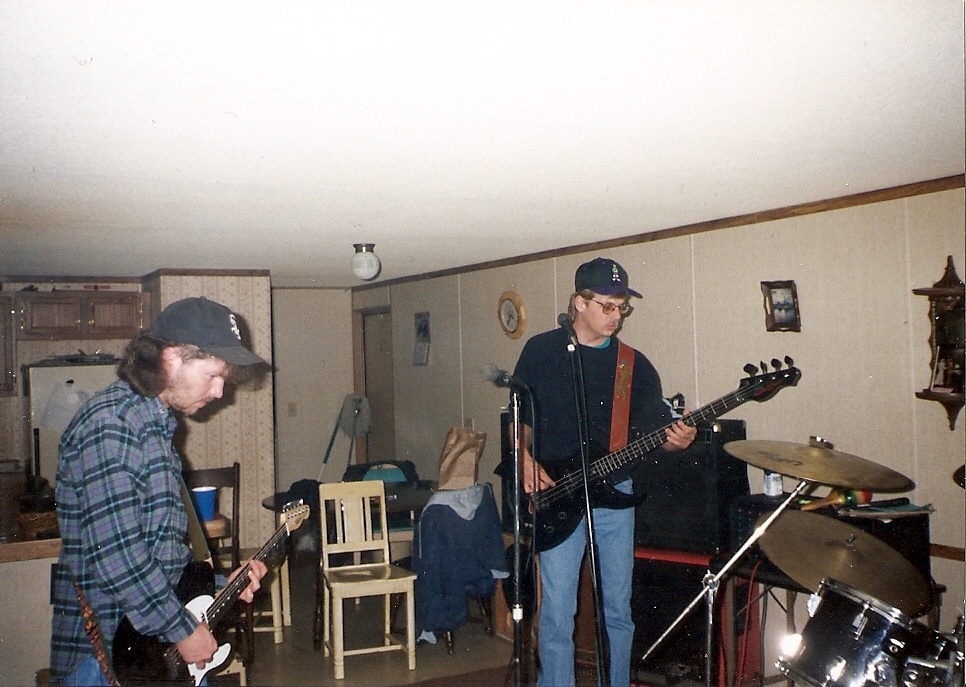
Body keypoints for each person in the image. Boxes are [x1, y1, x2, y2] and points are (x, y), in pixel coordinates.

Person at [50, 297, 270, 686]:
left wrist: (222, 587)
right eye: (212, 375)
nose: (219, 392)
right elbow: (118, 557)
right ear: (170, 359)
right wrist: (181, 629)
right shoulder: (112, 424)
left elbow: (160, 555)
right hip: (109, 653)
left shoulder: (153, 425)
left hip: (147, 642)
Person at [512, 257, 697, 687]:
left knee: (618, 607)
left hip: (615, 492)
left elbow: (659, 433)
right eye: (608, 306)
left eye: (621, 308)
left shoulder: (634, 364)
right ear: (579, 302)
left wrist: (678, 438)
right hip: (557, 493)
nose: (616, 316)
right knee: (558, 609)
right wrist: (522, 456)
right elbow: (518, 417)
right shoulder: (541, 350)